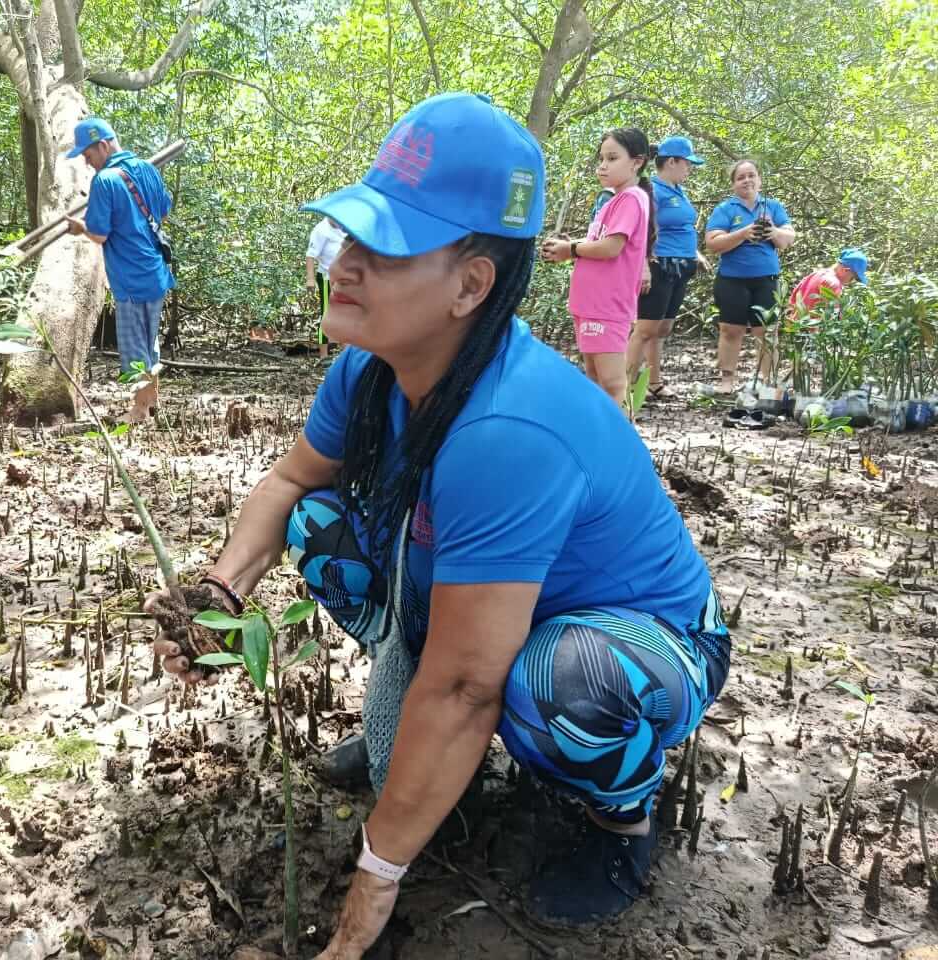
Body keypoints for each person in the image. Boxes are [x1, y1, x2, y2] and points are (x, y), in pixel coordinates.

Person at [144, 93, 730, 951]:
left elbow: (464, 687)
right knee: (318, 523)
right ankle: (426, 759)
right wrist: (220, 595)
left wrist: (374, 883)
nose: (344, 264)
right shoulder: (369, 371)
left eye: (382, 250)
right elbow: (288, 481)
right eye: (348, 236)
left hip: (633, 643)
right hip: (482, 614)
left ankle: (620, 820)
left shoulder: (509, 428)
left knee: (559, 687)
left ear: (470, 285)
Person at [65, 117, 175, 423]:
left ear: (102, 145)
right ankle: (151, 402)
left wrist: (79, 227)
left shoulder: (104, 181)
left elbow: (99, 234)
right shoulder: (146, 168)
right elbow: (164, 211)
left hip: (130, 277)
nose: (87, 163)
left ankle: (139, 411)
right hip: (155, 271)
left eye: (88, 155)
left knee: (135, 346)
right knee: (149, 341)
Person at [541, 128, 654, 406]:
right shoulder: (613, 201)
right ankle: (598, 432)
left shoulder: (631, 198)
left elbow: (611, 247)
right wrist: (569, 247)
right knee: (594, 379)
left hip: (607, 306)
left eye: (612, 158)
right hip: (590, 305)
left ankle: (619, 434)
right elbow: (597, 244)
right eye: (601, 158)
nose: (603, 165)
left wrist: (571, 249)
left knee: (612, 384)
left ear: (637, 162)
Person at [623, 137, 712, 400]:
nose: (690, 169)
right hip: (659, 265)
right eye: (687, 163)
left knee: (662, 329)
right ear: (671, 161)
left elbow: (680, 228)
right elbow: (641, 231)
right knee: (645, 329)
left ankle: (653, 382)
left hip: (681, 266)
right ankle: (622, 387)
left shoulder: (677, 191)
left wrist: (695, 254)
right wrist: (643, 266)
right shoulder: (651, 191)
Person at [705, 159, 796, 393]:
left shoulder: (773, 207)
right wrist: (743, 233)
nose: (747, 180)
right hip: (732, 279)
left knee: (766, 332)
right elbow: (713, 243)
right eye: (741, 177)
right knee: (730, 330)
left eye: (751, 175)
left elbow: (788, 239)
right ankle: (727, 382)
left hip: (766, 279)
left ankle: (768, 382)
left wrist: (773, 231)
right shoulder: (725, 209)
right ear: (733, 184)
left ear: (759, 179)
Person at [306, 216, 347, 359]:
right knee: (326, 314)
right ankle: (323, 356)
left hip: (343, 278)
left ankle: (344, 354)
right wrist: (310, 279)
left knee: (344, 315)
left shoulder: (344, 226)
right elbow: (310, 255)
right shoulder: (321, 230)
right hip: (326, 277)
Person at [790, 247, 868, 317]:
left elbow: (792, 299)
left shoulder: (816, 273)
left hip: (795, 325)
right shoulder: (834, 284)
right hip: (811, 328)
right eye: (852, 278)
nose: (851, 281)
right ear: (846, 270)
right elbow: (834, 317)